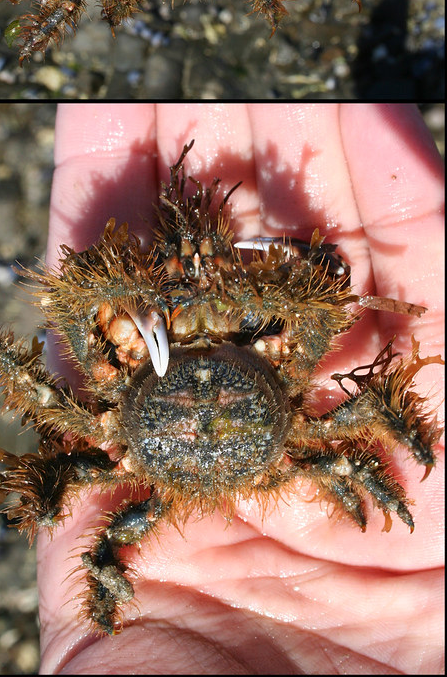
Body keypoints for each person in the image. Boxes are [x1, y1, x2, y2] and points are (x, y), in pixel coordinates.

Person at [38, 103, 443, 674]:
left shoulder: (115, 400)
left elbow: (68, 325)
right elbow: (366, 392)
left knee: (96, 531)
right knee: (355, 447)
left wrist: (45, 504)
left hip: (161, 442)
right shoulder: (286, 365)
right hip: (263, 436)